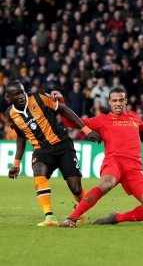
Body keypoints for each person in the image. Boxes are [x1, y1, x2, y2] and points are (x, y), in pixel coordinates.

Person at [57, 87, 143, 227]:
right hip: (114, 162)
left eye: (120, 100)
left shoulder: (134, 117)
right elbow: (69, 122)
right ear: (109, 103)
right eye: (114, 101)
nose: (118, 103)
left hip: (135, 167)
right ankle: (72, 219)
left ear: (125, 101)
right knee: (106, 184)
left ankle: (116, 218)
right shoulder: (102, 120)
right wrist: (61, 102)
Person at [4, 80, 102, 227]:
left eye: (22, 92)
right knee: (38, 170)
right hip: (41, 150)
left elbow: (64, 110)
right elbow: (20, 136)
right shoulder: (10, 115)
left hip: (62, 145)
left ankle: (81, 211)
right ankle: (49, 217)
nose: (21, 96)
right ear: (8, 97)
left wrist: (86, 130)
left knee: (75, 188)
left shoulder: (39, 98)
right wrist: (16, 164)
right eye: (16, 94)